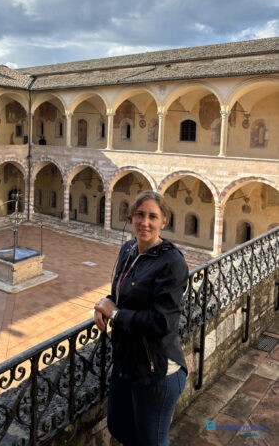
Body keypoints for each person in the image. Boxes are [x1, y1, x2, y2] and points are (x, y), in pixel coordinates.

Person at [94, 190, 189, 446]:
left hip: (156, 369)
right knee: (119, 426)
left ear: (163, 221)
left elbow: (162, 323)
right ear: (131, 216)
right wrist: (103, 305)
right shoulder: (128, 249)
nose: (144, 222)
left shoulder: (172, 262)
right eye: (139, 214)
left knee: (151, 441)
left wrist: (114, 313)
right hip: (127, 363)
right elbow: (121, 295)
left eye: (152, 216)